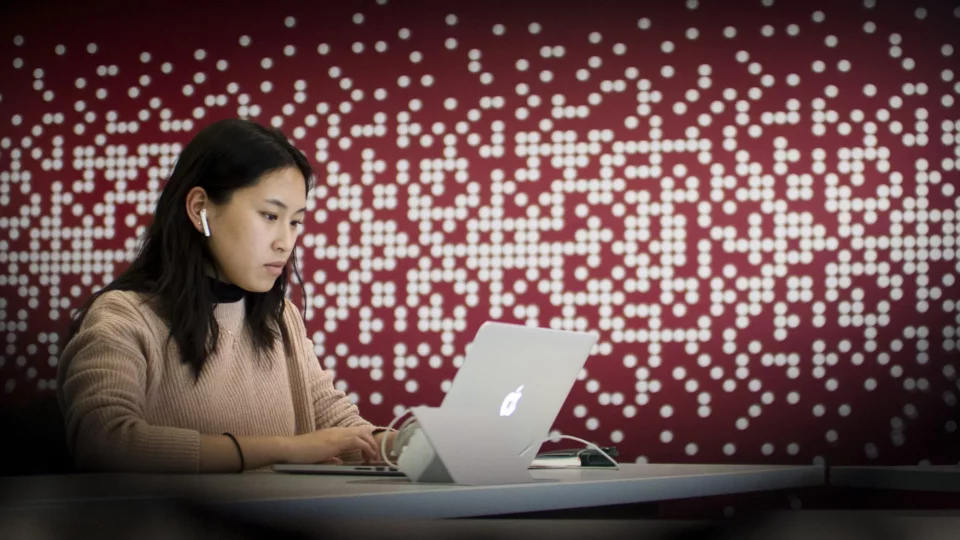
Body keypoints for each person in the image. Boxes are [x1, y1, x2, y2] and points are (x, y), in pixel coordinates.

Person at [57, 118, 396, 473]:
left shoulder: (281, 319)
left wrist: (418, 443)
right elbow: (103, 443)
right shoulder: (123, 317)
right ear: (200, 207)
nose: (286, 242)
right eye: (269, 215)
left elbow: (340, 428)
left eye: (295, 221)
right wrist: (286, 449)